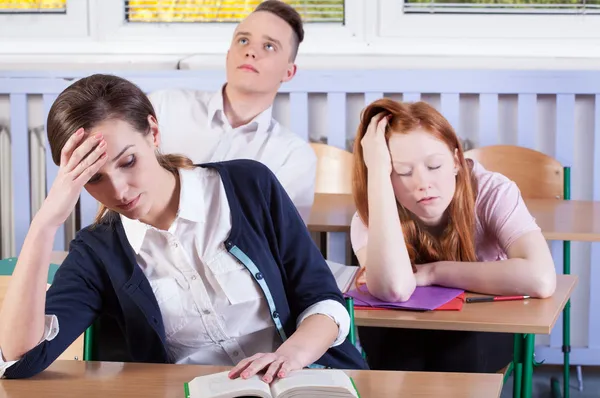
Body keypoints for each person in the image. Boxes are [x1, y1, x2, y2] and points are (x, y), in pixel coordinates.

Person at [0, 74, 367, 380]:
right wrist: (45, 223)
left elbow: (323, 299)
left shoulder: (249, 185)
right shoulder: (97, 252)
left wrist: (291, 356)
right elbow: (20, 359)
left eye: (128, 161)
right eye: (93, 179)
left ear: (153, 132)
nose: (118, 190)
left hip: (306, 379)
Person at [350, 98, 557, 373]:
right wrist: (375, 171)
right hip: (404, 336)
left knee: (457, 357)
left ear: (457, 161)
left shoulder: (491, 191)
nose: (423, 184)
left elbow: (541, 279)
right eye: (402, 171)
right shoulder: (373, 213)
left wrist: (434, 273)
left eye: (434, 166)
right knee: (400, 360)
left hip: (478, 331)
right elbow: (394, 288)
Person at [148, 0, 316, 209]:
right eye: (243, 41)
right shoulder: (163, 106)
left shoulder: (293, 156)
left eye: (269, 46)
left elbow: (280, 238)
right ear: (228, 56)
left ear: (288, 72)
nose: (251, 52)